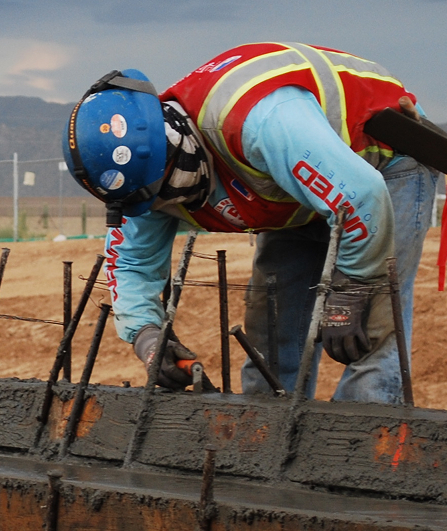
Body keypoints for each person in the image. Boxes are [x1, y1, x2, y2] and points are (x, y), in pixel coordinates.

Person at [62, 41, 439, 403]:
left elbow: (361, 194)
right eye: (154, 201)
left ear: (175, 153)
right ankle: (269, 443)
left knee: (372, 331)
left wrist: (353, 286)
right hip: (292, 192)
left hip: (382, 166)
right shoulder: (143, 184)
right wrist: (146, 336)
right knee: (270, 336)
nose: (165, 207)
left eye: (166, 194)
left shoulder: (258, 121)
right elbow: (131, 263)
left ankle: (362, 451)